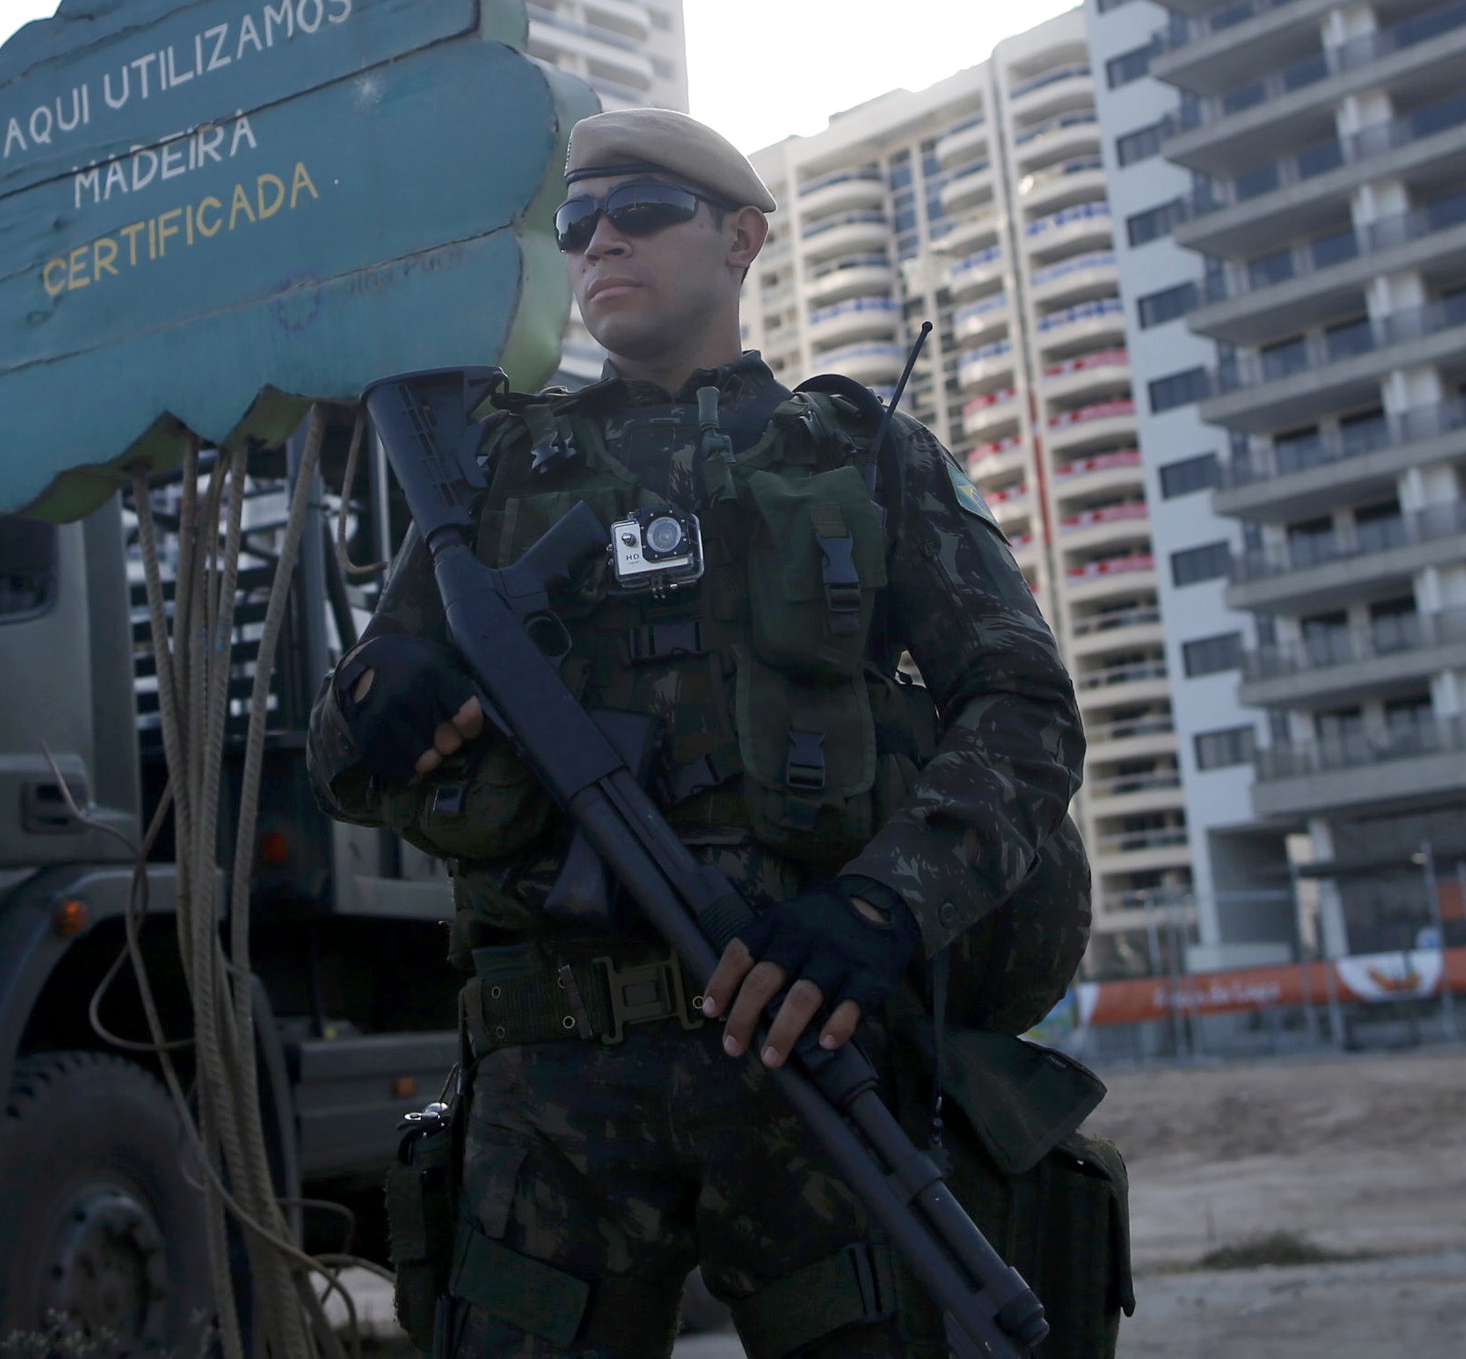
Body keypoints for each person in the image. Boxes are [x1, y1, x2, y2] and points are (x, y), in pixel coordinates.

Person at [308, 108, 1086, 1359]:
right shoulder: (490, 475)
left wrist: (882, 910)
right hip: (550, 1086)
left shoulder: (861, 451)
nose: (600, 239)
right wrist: (380, 693)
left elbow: (1023, 708)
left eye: (640, 212)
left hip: (806, 1045)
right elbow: (338, 761)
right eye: (575, 223)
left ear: (740, 236)